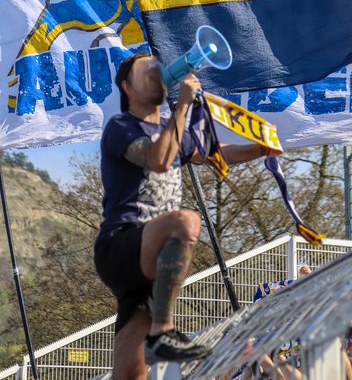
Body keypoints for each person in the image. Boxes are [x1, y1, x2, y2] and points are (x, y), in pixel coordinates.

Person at [94, 52, 274, 379]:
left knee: (130, 372)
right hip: (121, 245)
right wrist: (182, 108)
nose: (156, 73)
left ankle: (153, 331)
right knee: (186, 222)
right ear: (126, 87)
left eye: (157, 68)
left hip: (148, 265)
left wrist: (260, 148)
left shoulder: (172, 129)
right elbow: (159, 159)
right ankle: (162, 331)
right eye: (145, 70)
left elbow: (214, 155)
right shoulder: (121, 126)